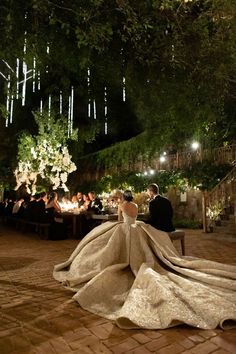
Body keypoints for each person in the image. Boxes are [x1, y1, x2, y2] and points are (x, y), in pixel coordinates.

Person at [53, 190, 236, 330]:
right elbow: (135, 219)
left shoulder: (122, 206)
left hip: (125, 229)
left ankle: (118, 262)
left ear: (122, 198)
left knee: (101, 240)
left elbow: (120, 220)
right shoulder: (136, 206)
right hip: (137, 228)